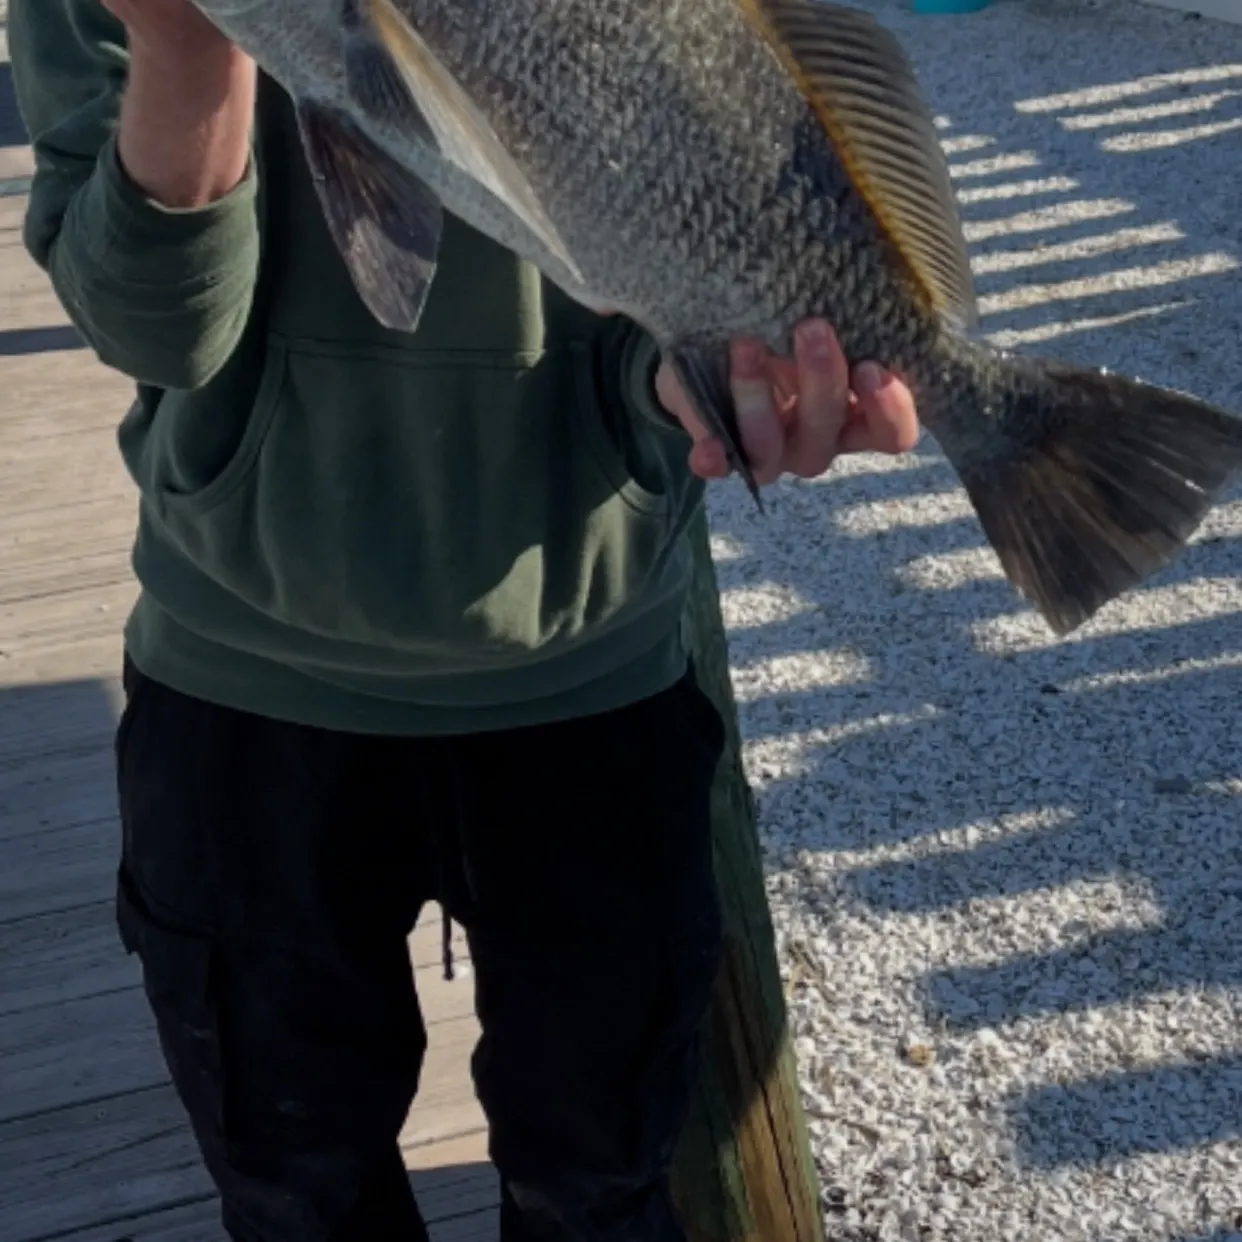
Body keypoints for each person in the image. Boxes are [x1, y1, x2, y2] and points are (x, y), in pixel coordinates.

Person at [8, 2, 920, 1238]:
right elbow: (152, 331)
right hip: (243, 687)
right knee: (298, 1196)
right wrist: (183, 50)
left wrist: (691, 391)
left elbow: (694, 199)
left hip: (590, 682)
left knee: (599, 1185)